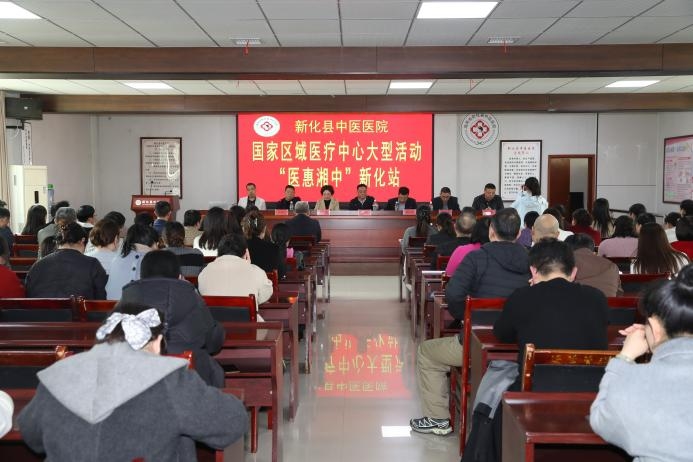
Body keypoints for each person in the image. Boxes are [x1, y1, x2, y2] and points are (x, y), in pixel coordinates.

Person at [17, 302, 247, 461]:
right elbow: (232, 423)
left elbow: (31, 433)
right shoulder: (169, 380)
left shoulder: (59, 373)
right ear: (157, 342)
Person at [410, 208, 529, 435]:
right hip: (522, 347)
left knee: (427, 352)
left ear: (491, 231)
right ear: (518, 233)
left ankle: (438, 419)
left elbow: (453, 295)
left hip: (475, 345)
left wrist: (465, 319)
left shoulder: (476, 258)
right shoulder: (533, 259)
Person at [590, 267, 693, 462]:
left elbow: (602, 420)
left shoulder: (637, 381)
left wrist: (624, 358)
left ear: (654, 327)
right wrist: (657, 342)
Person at [493, 237, 609, 369]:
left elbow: (502, 334)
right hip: (592, 381)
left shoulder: (521, 297)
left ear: (533, 271)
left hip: (534, 381)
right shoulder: (597, 297)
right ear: (573, 272)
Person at [120, 251, 225, 387]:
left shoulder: (126, 301)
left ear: (141, 276)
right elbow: (213, 342)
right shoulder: (193, 298)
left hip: (135, 385)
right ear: (179, 276)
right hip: (190, 384)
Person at [25, 222, 107, 299]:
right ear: (82, 240)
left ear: (58, 242)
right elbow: (100, 299)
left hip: (41, 309)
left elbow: (29, 293)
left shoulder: (38, 265)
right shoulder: (92, 264)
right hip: (78, 309)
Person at [198, 233, 274, 304]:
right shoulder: (257, 272)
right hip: (246, 314)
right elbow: (264, 296)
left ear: (218, 253)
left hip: (212, 314)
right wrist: (249, 266)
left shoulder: (205, 272)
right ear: (246, 253)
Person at [106, 224, 159, 300]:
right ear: (154, 243)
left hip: (111, 306)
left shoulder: (117, 258)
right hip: (139, 306)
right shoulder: (154, 261)